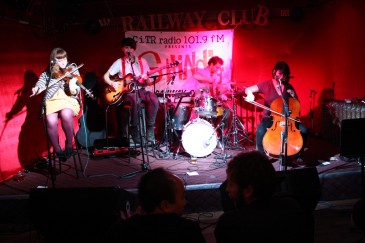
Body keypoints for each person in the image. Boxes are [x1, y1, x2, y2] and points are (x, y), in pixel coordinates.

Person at [214, 151, 310, 243]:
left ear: (248, 191)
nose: (227, 189)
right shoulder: (292, 207)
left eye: (231, 184)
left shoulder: (228, 224)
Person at [105, 167, 206, 242]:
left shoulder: (119, 231)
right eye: (182, 197)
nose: (185, 202)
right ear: (165, 205)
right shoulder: (188, 232)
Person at [244, 61, 308, 165]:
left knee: (304, 130)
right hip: (270, 118)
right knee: (260, 130)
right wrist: (250, 94)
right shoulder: (266, 84)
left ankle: (298, 155)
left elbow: (297, 104)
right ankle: (261, 157)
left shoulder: (289, 87)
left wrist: (294, 96)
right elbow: (248, 89)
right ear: (274, 72)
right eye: (280, 73)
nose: (282, 77)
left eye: (285, 74)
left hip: (288, 119)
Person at [103, 37, 159, 146]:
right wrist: (111, 83)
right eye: (126, 47)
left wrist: (145, 80)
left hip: (141, 90)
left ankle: (150, 130)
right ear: (122, 49)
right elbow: (105, 76)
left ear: (134, 50)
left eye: (131, 48)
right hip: (128, 93)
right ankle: (134, 128)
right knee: (135, 99)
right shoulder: (119, 62)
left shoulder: (142, 62)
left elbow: (146, 83)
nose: (128, 50)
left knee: (154, 99)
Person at [31, 47, 81, 160]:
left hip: (68, 98)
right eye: (60, 60)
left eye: (64, 58)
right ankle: (58, 150)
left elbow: (77, 86)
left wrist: (73, 88)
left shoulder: (72, 68)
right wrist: (36, 88)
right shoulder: (48, 72)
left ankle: (69, 144)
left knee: (66, 113)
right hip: (52, 99)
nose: (63, 62)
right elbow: (40, 83)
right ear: (53, 60)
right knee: (50, 120)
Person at [192, 56, 231, 134]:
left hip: (211, 102)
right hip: (201, 102)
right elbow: (195, 75)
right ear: (211, 64)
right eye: (217, 67)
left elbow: (216, 91)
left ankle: (220, 135)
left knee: (227, 111)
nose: (218, 69)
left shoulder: (215, 76)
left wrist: (222, 93)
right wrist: (210, 80)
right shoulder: (202, 71)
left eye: (219, 68)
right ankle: (210, 132)